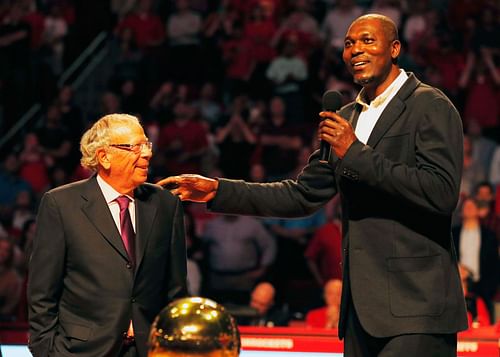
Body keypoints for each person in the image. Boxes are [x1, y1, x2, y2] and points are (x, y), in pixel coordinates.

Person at [159, 13, 467, 356]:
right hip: (361, 314)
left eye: (367, 40)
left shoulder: (430, 105)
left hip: (418, 308)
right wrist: (218, 190)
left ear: (394, 48)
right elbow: (302, 195)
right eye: (349, 43)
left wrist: (355, 152)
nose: (355, 50)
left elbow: (440, 192)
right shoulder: (346, 117)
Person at [28, 114, 188, 357]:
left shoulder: (165, 204)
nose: (146, 154)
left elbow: (176, 290)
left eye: (147, 145)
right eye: (135, 147)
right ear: (104, 156)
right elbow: (42, 293)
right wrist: (47, 352)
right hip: (80, 351)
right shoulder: (61, 204)